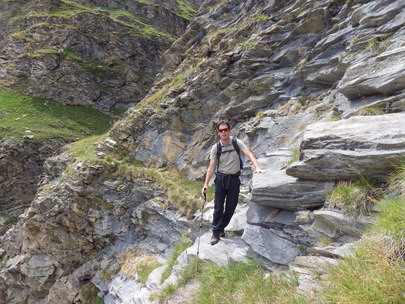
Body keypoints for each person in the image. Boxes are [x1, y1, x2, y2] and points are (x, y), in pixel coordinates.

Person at [202, 120, 264, 245]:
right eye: (221, 130)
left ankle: (221, 228)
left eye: (225, 130)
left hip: (234, 180)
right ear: (218, 133)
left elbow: (249, 154)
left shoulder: (236, 143)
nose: (223, 132)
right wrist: (205, 185)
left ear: (229, 131)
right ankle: (215, 233)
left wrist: (257, 168)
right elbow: (211, 167)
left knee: (231, 208)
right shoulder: (216, 148)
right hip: (220, 180)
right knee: (218, 208)